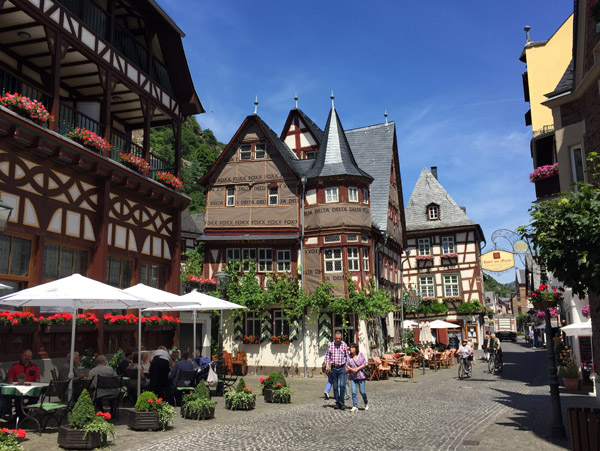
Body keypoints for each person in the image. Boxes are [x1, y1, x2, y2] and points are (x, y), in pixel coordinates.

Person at [324, 330, 349, 410]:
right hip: (334, 368)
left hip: (342, 368)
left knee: (342, 385)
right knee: (335, 386)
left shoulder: (344, 345)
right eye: (337, 338)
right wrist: (327, 365)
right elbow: (327, 356)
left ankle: (342, 403)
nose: (338, 340)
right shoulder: (331, 345)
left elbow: (347, 356)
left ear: (341, 338)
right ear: (334, 338)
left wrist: (347, 366)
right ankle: (337, 402)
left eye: (339, 338)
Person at [346, 343, 368, 412]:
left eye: (352, 347)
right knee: (354, 392)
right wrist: (352, 369)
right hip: (353, 377)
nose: (351, 349)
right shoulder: (349, 357)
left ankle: (366, 402)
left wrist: (357, 369)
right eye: (350, 348)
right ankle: (355, 406)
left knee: (362, 391)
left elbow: (365, 363)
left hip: (361, 376)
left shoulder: (360, 355)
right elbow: (347, 365)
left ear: (356, 349)